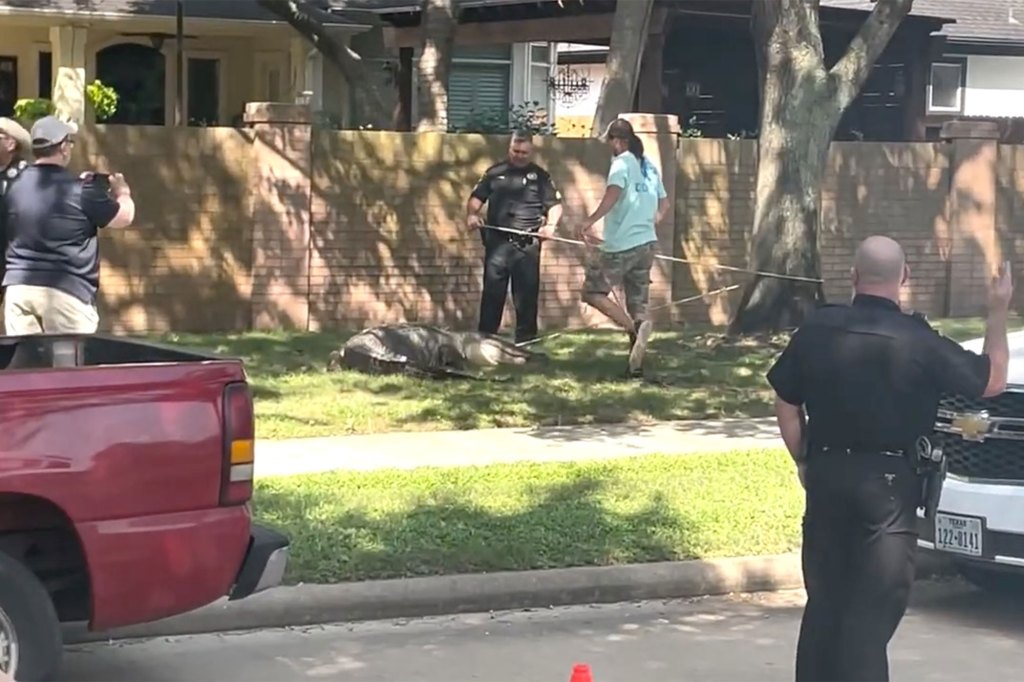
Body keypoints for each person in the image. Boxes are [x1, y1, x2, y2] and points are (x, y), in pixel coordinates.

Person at [766, 235, 1012, 682]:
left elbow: (785, 400)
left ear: (854, 277)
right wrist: (997, 310)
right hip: (889, 489)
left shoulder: (817, 331)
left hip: (826, 478)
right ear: (905, 278)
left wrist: (802, 457)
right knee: (871, 613)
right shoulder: (918, 340)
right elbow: (992, 380)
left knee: (825, 605)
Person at [2, 115, 136, 335]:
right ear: (63, 147)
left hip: (19, 289)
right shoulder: (81, 191)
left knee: (27, 367)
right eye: (70, 142)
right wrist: (123, 192)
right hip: (65, 292)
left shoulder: (13, 187)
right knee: (68, 368)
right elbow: (123, 217)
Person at [576, 118, 670, 377]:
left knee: (592, 292)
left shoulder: (621, 163)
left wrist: (590, 221)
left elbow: (613, 194)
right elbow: (664, 205)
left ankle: (633, 328)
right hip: (646, 243)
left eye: (611, 142)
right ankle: (636, 365)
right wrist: (650, 221)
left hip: (621, 244)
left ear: (617, 141)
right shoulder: (648, 166)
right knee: (638, 301)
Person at [465, 131, 563, 345]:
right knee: (492, 294)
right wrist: (472, 215)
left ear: (531, 151)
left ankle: (526, 343)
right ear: (509, 148)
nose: (519, 156)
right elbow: (476, 199)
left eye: (524, 152)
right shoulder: (494, 172)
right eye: (515, 151)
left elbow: (554, 206)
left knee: (526, 297)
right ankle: (486, 340)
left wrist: (551, 226)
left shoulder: (541, 176)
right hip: (497, 243)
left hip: (526, 245)